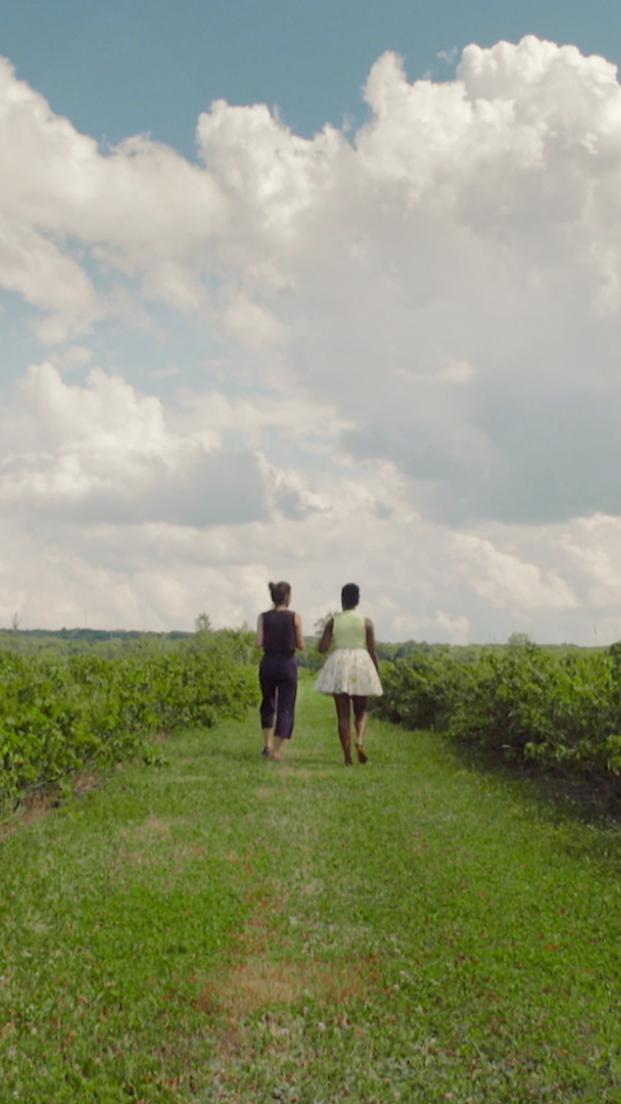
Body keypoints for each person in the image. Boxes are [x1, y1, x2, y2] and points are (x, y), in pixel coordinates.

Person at [315, 583, 383, 765]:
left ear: (342, 599)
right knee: (361, 711)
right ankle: (359, 741)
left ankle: (347, 756)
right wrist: (376, 672)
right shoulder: (366, 622)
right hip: (361, 663)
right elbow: (372, 650)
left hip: (340, 664)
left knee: (343, 715)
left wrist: (323, 640)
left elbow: (322, 648)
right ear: (358, 600)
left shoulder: (333, 621)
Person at [256, 581, 304, 761]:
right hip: (287, 664)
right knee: (286, 707)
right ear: (288, 597)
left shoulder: (263, 617)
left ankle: (267, 745)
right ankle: (276, 750)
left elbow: (258, 643)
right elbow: (301, 645)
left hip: (267, 662)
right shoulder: (295, 617)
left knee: (267, 703)